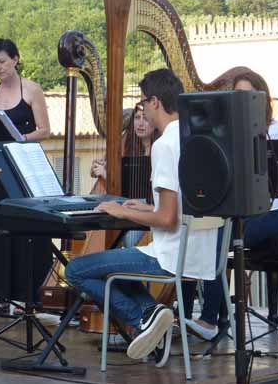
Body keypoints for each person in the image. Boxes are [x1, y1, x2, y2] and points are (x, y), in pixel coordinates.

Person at [65, 68, 219, 367]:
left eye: (144, 103)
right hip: (197, 254)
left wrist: (119, 209)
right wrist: (145, 206)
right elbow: (178, 208)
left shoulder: (164, 146)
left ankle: (144, 316)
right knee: (112, 266)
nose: (143, 110)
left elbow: (167, 219)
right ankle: (153, 315)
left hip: (169, 257)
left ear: (155, 102)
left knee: (77, 270)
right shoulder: (195, 138)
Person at [183, 69, 278, 341]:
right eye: (238, 96)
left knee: (217, 238)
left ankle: (208, 320)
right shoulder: (230, 134)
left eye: (248, 96)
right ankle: (183, 316)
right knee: (198, 235)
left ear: (261, 100)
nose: (242, 101)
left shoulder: (271, 131)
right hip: (247, 211)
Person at [0, 38, 51, 312]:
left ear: (16, 59)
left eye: (2, 61)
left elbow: (45, 130)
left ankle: (28, 297)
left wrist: (19, 138)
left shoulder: (32, 89)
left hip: (25, 167)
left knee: (25, 228)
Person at [90, 105, 157, 247]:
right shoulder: (126, 143)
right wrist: (97, 167)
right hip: (129, 203)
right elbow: (94, 172)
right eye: (137, 118)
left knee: (128, 239)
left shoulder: (160, 149)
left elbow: (140, 187)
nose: (140, 123)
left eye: (145, 119)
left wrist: (107, 175)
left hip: (150, 206)